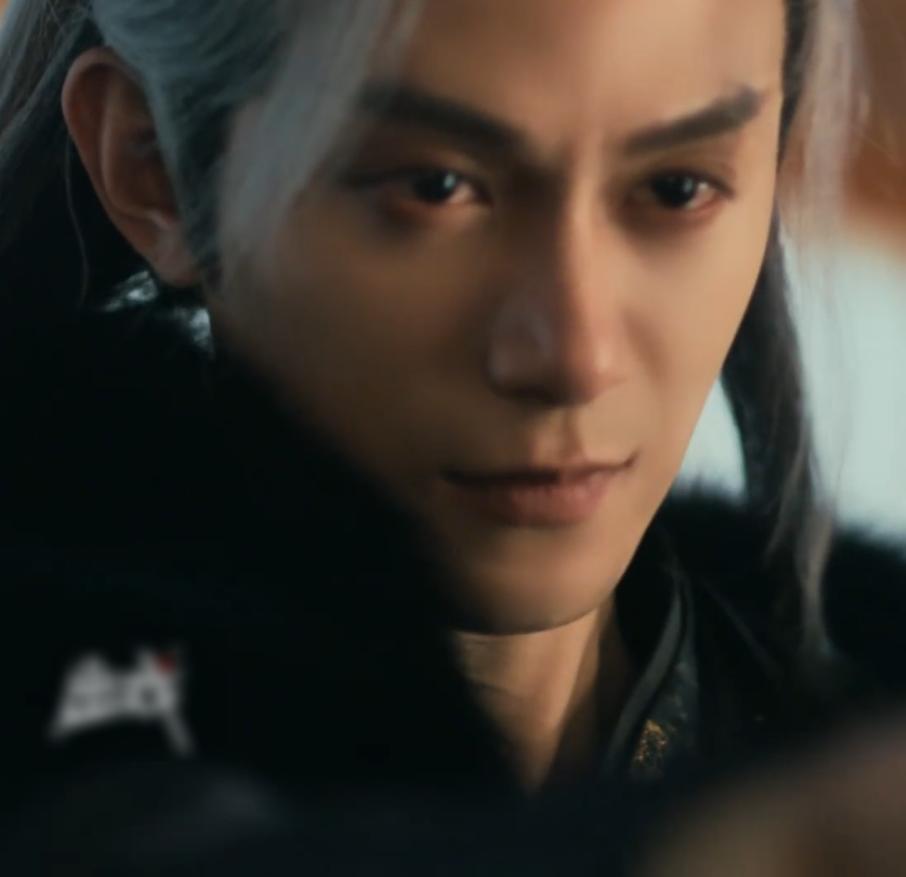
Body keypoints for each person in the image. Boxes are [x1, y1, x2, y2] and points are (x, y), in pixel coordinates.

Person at [1, 0, 904, 871]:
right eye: (433, 187)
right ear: (153, 167)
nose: (574, 357)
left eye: (678, 188)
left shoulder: (851, 700)